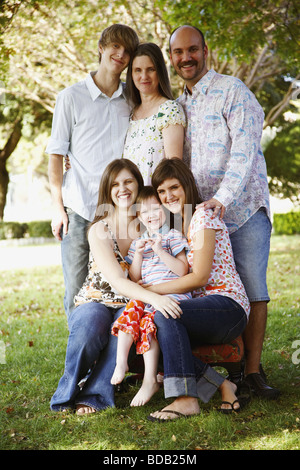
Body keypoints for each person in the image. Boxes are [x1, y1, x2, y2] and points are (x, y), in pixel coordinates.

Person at [168, 25, 279, 399]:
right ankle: (229, 366)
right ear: (172, 57)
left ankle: (253, 372)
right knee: (208, 290)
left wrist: (224, 198)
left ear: (206, 50)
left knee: (252, 287)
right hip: (201, 220)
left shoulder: (233, 91)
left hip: (242, 210)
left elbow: (245, 150)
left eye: (193, 49)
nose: (186, 57)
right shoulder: (177, 106)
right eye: (179, 52)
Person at [50, 159, 182, 416]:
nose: (122, 188)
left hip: (132, 302)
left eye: (128, 181)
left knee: (123, 328)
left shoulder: (149, 225)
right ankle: (65, 395)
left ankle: (95, 396)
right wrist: (155, 298)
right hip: (96, 299)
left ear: (137, 184)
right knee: (90, 326)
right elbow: (118, 281)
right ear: (108, 190)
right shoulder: (99, 228)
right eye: (115, 184)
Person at [145, 158, 250, 421]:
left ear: (187, 186)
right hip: (204, 310)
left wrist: (152, 290)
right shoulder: (175, 227)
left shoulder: (201, 217)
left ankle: (186, 399)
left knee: (164, 312)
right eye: (161, 191)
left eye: (174, 187)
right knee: (151, 331)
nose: (168, 196)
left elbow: (200, 277)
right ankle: (224, 385)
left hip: (228, 306)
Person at [46, 24, 139, 320]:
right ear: (101, 47)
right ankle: (80, 363)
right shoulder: (70, 98)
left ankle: (117, 357)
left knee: (122, 286)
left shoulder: (132, 100)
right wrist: (58, 208)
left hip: (119, 212)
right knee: (76, 289)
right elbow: (56, 156)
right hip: (79, 208)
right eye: (115, 47)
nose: (120, 55)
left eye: (127, 51)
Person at [111, 186, 191, 407]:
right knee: (131, 310)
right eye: (145, 212)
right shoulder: (139, 243)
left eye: (156, 209)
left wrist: (159, 251)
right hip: (148, 299)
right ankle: (121, 363)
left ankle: (149, 379)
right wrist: (137, 254)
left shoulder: (173, 236)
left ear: (164, 210)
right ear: (138, 216)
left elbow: (182, 270)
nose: (151, 215)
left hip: (173, 296)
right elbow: (134, 277)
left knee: (148, 324)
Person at [123, 42, 186, 184]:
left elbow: (174, 170)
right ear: (131, 74)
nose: (144, 76)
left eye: (150, 69)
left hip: (156, 200)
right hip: (132, 201)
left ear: (160, 71)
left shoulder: (169, 110)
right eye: (138, 70)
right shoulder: (131, 113)